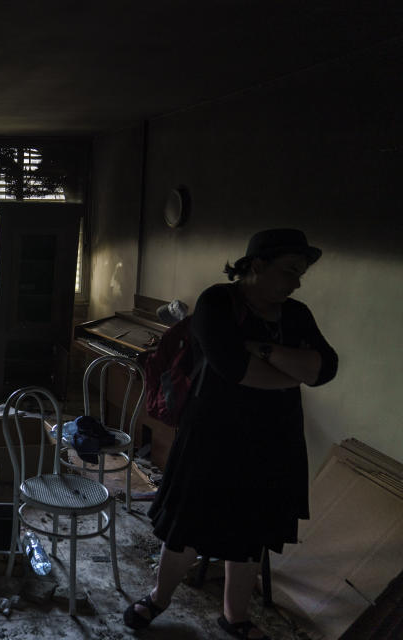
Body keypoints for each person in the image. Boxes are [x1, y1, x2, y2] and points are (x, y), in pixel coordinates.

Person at [124, 229, 338, 640]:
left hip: (273, 441)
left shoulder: (297, 314)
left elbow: (324, 369)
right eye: (290, 271)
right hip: (212, 436)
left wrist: (264, 351)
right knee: (186, 526)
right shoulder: (218, 302)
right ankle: (158, 598)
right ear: (256, 266)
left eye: (301, 274)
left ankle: (234, 616)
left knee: (251, 532)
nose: (296, 282)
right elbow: (232, 368)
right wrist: (292, 373)